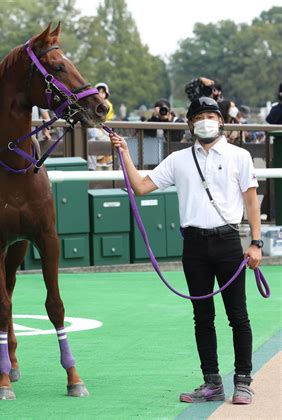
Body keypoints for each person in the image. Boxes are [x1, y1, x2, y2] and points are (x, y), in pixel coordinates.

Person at [109, 97, 262, 405]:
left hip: (229, 241)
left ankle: (243, 381)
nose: (206, 120)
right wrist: (124, 152)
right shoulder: (178, 160)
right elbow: (140, 187)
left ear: (221, 121)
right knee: (202, 316)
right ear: (191, 123)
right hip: (194, 245)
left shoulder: (239, 156)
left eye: (211, 115)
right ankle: (212, 382)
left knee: (238, 315)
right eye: (200, 116)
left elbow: (250, 201)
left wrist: (256, 243)